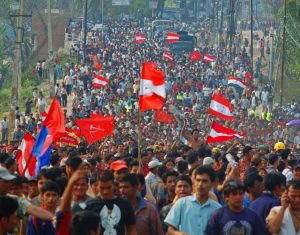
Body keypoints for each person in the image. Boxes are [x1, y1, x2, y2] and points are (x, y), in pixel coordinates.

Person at [73, 170, 137, 235]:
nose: (105, 192)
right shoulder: (90, 205)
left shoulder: (125, 204)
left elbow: (131, 229)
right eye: (102, 188)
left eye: (108, 188)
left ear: (114, 185)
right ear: (97, 186)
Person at [164, 166, 221, 235]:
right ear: (194, 182)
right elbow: (170, 230)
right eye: (198, 180)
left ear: (212, 184)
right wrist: (178, 234)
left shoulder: (218, 209)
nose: (200, 184)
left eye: (204, 181)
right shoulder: (181, 203)